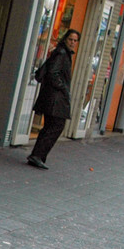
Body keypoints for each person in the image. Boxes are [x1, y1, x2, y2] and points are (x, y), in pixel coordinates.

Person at [27, 29, 78, 169]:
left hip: (53, 97)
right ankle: (37, 155)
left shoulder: (63, 53)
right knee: (56, 126)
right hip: (55, 98)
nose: (73, 43)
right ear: (65, 39)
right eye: (70, 39)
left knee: (50, 127)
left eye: (75, 40)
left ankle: (38, 155)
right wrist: (63, 88)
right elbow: (53, 73)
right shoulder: (61, 53)